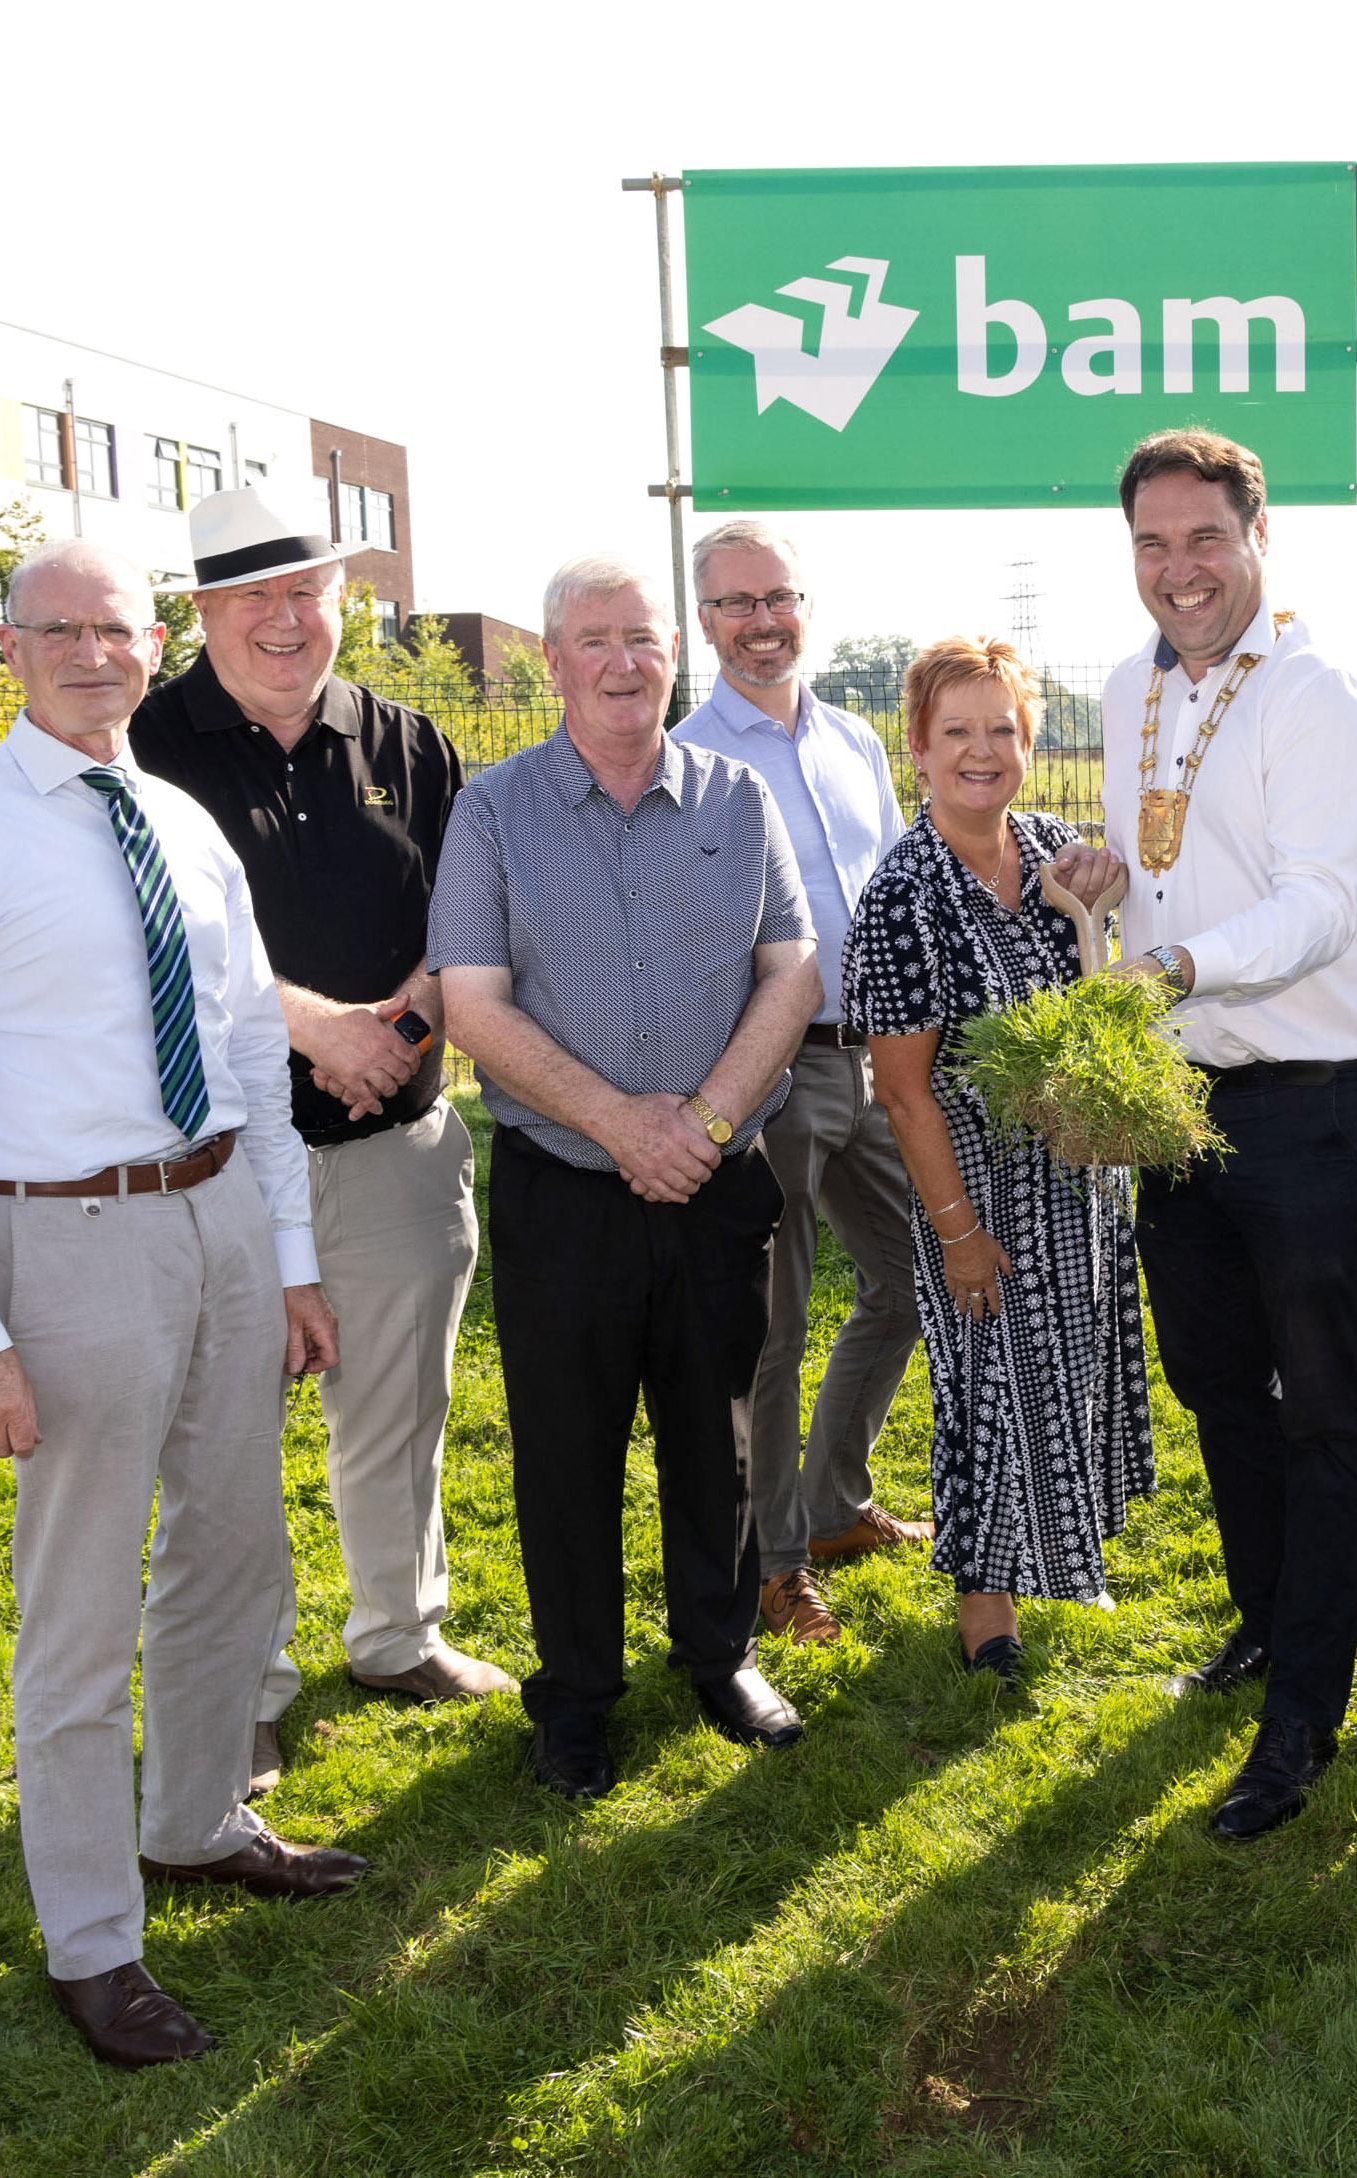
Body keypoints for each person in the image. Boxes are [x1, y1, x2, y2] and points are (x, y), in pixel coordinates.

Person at [0, 539, 365, 2073]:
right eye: (55, 629)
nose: (89, 653)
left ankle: (197, 1820)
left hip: (211, 1217)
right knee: (77, 1610)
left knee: (236, 1548)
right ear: (3, 648)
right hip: (60, 1246)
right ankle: (92, 1937)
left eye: (114, 629)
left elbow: (251, 1046)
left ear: (154, 648)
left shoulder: (181, 823)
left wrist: (284, 1254)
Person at [1048, 428, 1357, 1841]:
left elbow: (1320, 901)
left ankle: (1302, 1715)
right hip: (1181, 1096)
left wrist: (1179, 965)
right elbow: (1158, 857)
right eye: (1152, 544)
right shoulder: (1130, 680)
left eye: (1205, 539)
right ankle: (1266, 1620)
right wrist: (1104, 881)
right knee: (1211, 1373)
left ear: (1258, 537)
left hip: (1318, 1095)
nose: (1179, 569)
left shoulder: (1318, 700)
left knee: (1322, 1400)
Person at [130, 487, 507, 1801]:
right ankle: (239, 1690)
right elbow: (150, 945)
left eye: (310, 592)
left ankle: (399, 1635)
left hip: (396, 1138)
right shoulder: (141, 742)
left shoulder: (408, 740)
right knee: (221, 1436)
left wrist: (395, 1026)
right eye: (255, 600)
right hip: (221, 1166)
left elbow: (471, 915)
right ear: (202, 612)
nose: (288, 621)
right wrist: (316, 1031)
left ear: (342, 596)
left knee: (396, 1412)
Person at [429, 555, 824, 1801]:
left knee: (723, 1437)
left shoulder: (735, 798)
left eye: (642, 639)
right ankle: (578, 1699)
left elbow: (795, 968)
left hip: (718, 1181)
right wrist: (619, 1125)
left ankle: (720, 1656)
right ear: (551, 661)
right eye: (592, 639)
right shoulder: (494, 811)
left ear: (674, 655)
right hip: (565, 1193)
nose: (620, 661)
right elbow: (471, 1004)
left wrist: (700, 1126)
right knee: (567, 1449)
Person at [847, 636, 1154, 1677]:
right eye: (958, 733)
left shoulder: (1056, 849)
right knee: (985, 1383)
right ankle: (988, 1608)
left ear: (1028, 742)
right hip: (973, 1191)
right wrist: (959, 1237)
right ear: (917, 747)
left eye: (1003, 730)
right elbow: (901, 1089)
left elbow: (1099, 987)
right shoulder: (904, 895)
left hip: (1076, 1181)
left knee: (1062, 1372)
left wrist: (1103, 893)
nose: (982, 752)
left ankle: (1061, 1554)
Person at [671, 519, 929, 1651]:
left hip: (875, 1060)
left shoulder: (854, 743)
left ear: (804, 606)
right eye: (734, 604)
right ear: (704, 619)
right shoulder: (686, 759)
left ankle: (832, 1503)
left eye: (776, 598)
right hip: (767, 1075)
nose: (760, 621)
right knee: (772, 1332)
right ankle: (776, 1564)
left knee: (918, 1271)